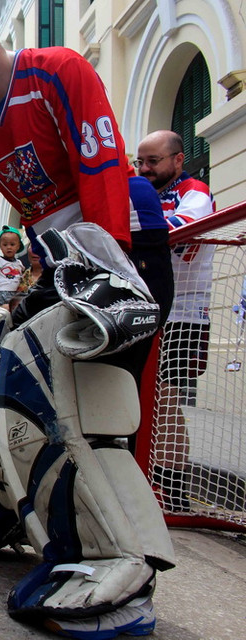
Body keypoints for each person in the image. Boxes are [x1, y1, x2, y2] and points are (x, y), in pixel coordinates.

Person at [0, 1, 175, 636]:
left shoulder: (59, 71)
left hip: (120, 252)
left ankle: (115, 571)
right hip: (60, 264)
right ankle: (9, 501)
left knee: (66, 400)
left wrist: (107, 271)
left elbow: (101, 168)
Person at [136, 129, 216, 511]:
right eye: (140, 161)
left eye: (153, 161)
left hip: (186, 311)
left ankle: (173, 492)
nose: (145, 168)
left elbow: (175, 233)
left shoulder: (194, 191)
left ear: (178, 160)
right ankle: (154, 480)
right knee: (147, 396)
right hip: (151, 306)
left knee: (163, 397)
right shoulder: (144, 191)